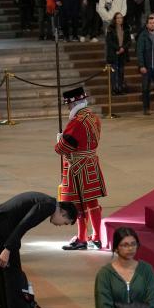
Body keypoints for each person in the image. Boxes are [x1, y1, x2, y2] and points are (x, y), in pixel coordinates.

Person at [0, 192, 77, 308]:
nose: (60, 225)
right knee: (13, 273)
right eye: (65, 223)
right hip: (2, 227)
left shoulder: (45, 200)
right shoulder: (48, 206)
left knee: (3, 270)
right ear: (63, 213)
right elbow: (24, 225)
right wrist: (8, 248)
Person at [57, 86, 108, 251]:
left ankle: (81, 238)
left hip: (78, 166)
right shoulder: (93, 117)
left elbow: (62, 148)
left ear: (74, 104)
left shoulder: (77, 122)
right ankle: (97, 237)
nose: (68, 108)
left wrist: (59, 141)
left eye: (69, 105)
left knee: (79, 204)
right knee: (92, 202)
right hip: (91, 163)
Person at [105, 12, 132, 95]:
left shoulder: (126, 28)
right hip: (114, 53)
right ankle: (114, 89)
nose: (120, 19)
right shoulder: (110, 28)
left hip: (122, 53)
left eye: (121, 18)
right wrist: (118, 48)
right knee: (114, 72)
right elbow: (109, 41)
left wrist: (123, 48)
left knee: (121, 72)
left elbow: (129, 41)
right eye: (118, 18)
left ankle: (120, 88)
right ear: (115, 19)